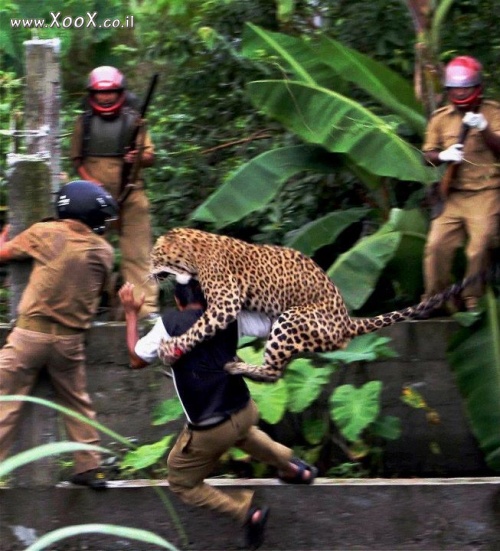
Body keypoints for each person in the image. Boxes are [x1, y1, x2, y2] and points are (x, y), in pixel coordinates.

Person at [118, 278, 317, 550]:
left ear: (178, 301)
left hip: (210, 427)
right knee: (242, 433)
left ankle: (248, 514)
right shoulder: (229, 315)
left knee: (180, 480)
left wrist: (131, 313)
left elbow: (136, 359)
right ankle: (294, 468)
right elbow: (272, 323)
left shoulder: (170, 325)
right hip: (244, 409)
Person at [0, 180, 117, 489]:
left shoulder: (45, 233)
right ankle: (89, 466)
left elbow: (4, 252)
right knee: (77, 402)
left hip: (29, 336)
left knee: (5, 401)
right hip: (70, 343)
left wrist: (6, 232)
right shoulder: (104, 251)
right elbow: (103, 290)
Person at [70, 65, 158, 319]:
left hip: (131, 195)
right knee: (91, 254)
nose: (105, 98)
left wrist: (137, 156)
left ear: (119, 92)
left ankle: (145, 309)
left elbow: (151, 156)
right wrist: (90, 182)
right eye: (100, 93)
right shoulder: (83, 123)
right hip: (94, 201)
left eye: (110, 93)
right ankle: (92, 307)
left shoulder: (135, 120)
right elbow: (77, 159)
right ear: (92, 94)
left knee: (138, 254)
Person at [422, 55, 500, 312]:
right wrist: (443, 156)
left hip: (485, 192)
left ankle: (471, 297)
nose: (460, 92)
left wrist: (485, 128)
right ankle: (435, 298)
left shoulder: (493, 112)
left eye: (465, 87)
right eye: (455, 88)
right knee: (436, 246)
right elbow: (427, 157)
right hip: (453, 195)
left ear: (477, 87)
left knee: (480, 245)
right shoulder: (441, 118)